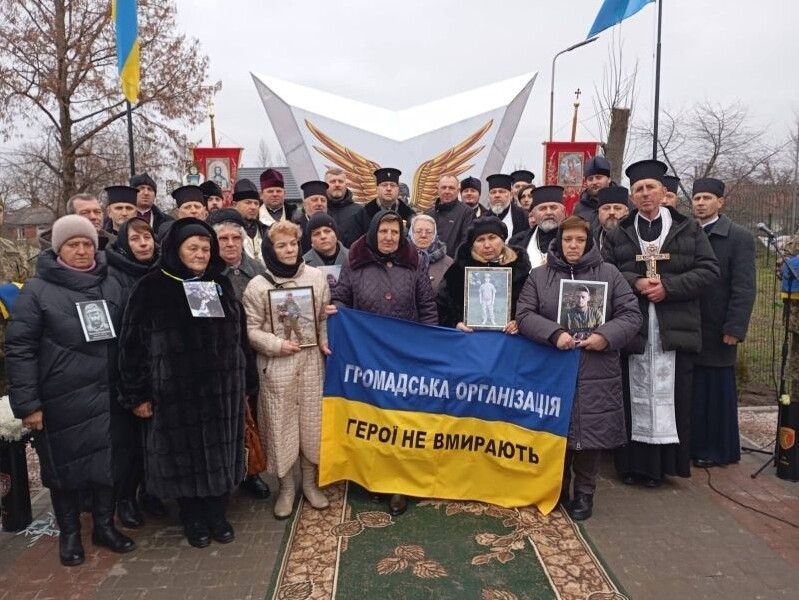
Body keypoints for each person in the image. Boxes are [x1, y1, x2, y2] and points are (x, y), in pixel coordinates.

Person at [118, 218, 256, 548]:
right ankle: (192, 516)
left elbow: (240, 336)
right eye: (193, 248)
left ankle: (217, 513)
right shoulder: (152, 287)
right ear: (176, 249)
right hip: (175, 395)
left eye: (206, 249)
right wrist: (137, 394)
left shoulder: (219, 283)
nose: (200, 254)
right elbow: (131, 346)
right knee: (184, 458)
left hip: (221, 393)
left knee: (221, 452)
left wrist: (247, 382)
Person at [6, 215, 135, 566]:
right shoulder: (37, 291)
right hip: (62, 399)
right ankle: (70, 534)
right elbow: (20, 350)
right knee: (63, 470)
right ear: (58, 249)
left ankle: (104, 527)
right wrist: (28, 405)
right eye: (73, 244)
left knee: (108, 463)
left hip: (109, 396)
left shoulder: (111, 283)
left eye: (87, 244)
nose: (81, 250)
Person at [603, 159, 720, 487]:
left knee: (673, 396)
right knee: (631, 394)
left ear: (663, 191)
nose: (645, 194)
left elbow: (709, 270)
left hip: (674, 326)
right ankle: (631, 466)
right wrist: (636, 282)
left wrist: (668, 287)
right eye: (638, 189)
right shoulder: (619, 232)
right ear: (632, 196)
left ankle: (666, 466)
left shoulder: (688, 228)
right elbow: (607, 271)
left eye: (650, 188)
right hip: (635, 327)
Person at [516, 216, 641, 520]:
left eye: (580, 240)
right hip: (552, 364)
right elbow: (524, 314)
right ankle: (556, 485)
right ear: (559, 242)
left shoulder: (609, 274)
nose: (573, 245)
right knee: (555, 428)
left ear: (589, 243)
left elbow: (630, 314)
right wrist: (555, 334)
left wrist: (604, 336)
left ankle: (585, 492)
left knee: (590, 431)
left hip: (596, 365)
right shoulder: (540, 275)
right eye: (568, 239)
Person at [331, 210, 437, 516]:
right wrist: (336, 311)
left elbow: (426, 305)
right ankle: (372, 476)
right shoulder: (354, 261)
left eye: (394, 232)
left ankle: (399, 484)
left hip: (406, 355)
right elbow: (341, 297)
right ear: (373, 232)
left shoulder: (415, 262)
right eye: (383, 231)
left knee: (402, 419)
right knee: (373, 417)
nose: (389, 237)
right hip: (367, 355)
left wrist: (430, 345)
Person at [242, 220, 331, 519]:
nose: (289, 250)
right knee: (281, 429)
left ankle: (310, 485)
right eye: (282, 245)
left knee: (311, 426)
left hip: (310, 364)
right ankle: (287, 489)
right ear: (271, 249)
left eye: (293, 244)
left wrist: (324, 339)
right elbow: (250, 329)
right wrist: (275, 344)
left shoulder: (316, 278)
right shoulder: (258, 285)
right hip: (277, 367)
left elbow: (322, 318)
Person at [690, 178, 756, 467]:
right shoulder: (688, 232)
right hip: (691, 323)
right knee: (694, 391)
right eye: (697, 198)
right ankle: (693, 445)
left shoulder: (739, 237)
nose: (701, 203)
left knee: (716, 392)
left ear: (720, 202)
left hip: (719, 326)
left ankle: (717, 450)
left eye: (707, 198)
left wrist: (734, 327)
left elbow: (744, 287)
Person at [105, 214, 164, 527]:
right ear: (124, 243)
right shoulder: (111, 275)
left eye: (147, 238)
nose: (143, 244)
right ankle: (125, 497)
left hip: (162, 368)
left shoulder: (163, 270)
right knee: (128, 443)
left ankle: (151, 492)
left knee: (155, 439)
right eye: (135, 239)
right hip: (128, 369)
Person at [437, 216, 530, 332]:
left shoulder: (520, 270)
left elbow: (530, 307)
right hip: (468, 337)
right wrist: (455, 323)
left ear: (502, 240)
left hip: (508, 338)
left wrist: (519, 322)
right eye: (480, 240)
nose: (487, 245)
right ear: (473, 244)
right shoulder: (458, 271)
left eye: (492, 238)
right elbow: (441, 305)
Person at [509, 186, 566, 269]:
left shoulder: (575, 241)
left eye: (553, 208)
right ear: (533, 214)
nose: (548, 212)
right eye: (543, 209)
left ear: (563, 212)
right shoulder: (517, 242)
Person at [39, 194, 116, 252]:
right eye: (85, 213)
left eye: (97, 212)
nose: (93, 217)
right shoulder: (50, 250)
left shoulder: (116, 244)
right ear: (71, 217)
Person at [426, 174, 474, 258]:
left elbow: (466, 243)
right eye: (443, 187)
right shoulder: (429, 214)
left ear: (458, 191)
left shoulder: (467, 212)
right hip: (429, 262)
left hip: (454, 263)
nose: (447, 191)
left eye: (451, 188)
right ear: (438, 189)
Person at [357, 168, 415, 232]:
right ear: (377, 189)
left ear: (398, 189)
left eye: (392, 185)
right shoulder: (364, 213)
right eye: (384, 185)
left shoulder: (410, 215)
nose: (389, 188)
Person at [409, 214, 453, 293]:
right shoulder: (400, 258)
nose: (423, 235)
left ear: (434, 235)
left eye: (429, 232)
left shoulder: (448, 263)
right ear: (411, 233)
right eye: (418, 231)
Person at [324, 167, 367, 247]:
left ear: (346, 185)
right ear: (325, 185)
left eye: (340, 181)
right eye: (333, 181)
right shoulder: (319, 211)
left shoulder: (359, 211)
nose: (337, 184)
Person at [573, 156, 614, 234]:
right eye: (590, 179)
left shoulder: (623, 202)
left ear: (609, 179)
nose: (594, 182)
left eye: (598, 177)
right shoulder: (580, 207)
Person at [231, 178, 268, 264]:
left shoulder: (266, 230)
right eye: (248, 202)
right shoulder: (228, 231)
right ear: (234, 205)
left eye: (256, 203)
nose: (253, 207)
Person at [486, 173, 529, 241]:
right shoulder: (482, 219)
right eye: (493, 192)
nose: (497, 195)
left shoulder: (524, 217)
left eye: (501, 192)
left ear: (511, 195)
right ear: (489, 196)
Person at [294, 180, 329, 254]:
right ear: (304, 205)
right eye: (314, 200)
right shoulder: (295, 229)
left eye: (323, 200)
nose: (319, 203)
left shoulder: (334, 226)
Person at [595, 186, 630, 251]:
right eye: (606, 208)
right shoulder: (590, 239)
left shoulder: (637, 238)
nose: (612, 212)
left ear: (627, 212)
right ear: (598, 212)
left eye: (617, 208)